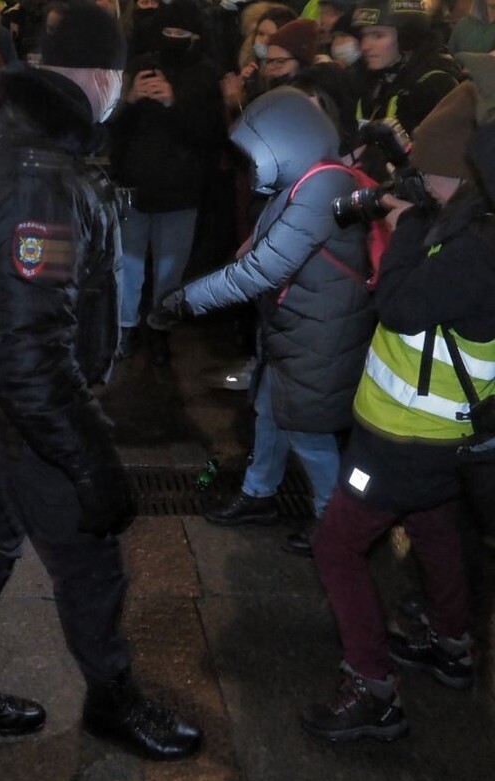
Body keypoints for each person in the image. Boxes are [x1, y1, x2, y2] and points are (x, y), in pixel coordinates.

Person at [0, 0, 202, 761]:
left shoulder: (19, 145)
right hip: (28, 413)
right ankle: (114, 700)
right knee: (90, 560)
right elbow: (29, 353)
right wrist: (91, 459)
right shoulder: (37, 181)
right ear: (102, 77)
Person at [301, 83, 495, 743]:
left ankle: (372, 686)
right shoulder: (470, 224)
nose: (418, 183)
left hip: (407, 436)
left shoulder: (476, 247)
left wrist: (405, 223)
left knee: (336, 547)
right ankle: (451, 640)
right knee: (435, 525)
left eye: (427, 174)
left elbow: (402, 306)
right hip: (439, 438)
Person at [152, 87, 374, 553]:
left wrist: (185, 300)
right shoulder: (308, 179)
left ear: (287, 142)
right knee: (270, 414)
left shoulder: (323, 189)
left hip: (321, 334)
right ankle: (260, 494)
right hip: (298, 326)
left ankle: (334, 525)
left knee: (308, 432)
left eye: (256, 155)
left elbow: (261, 270)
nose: (251, 168)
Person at [109, 0, 227, 366]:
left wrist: (175, 101)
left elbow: (210, 134)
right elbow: (114, 128)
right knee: (127, 263)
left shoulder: (207, 75)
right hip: (135, 183)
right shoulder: (142, 66)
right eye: (168, 32)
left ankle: (160, 328)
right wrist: (128, 100)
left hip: (181, 187)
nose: (173, 39)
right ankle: (126, 327)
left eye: (181, 34)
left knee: (169, 268)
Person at [352, 0, 460, 163]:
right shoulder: (365, 76)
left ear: (407, 37)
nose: (365, 45)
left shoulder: (435, 84)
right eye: (363, 36)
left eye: (377, 35)